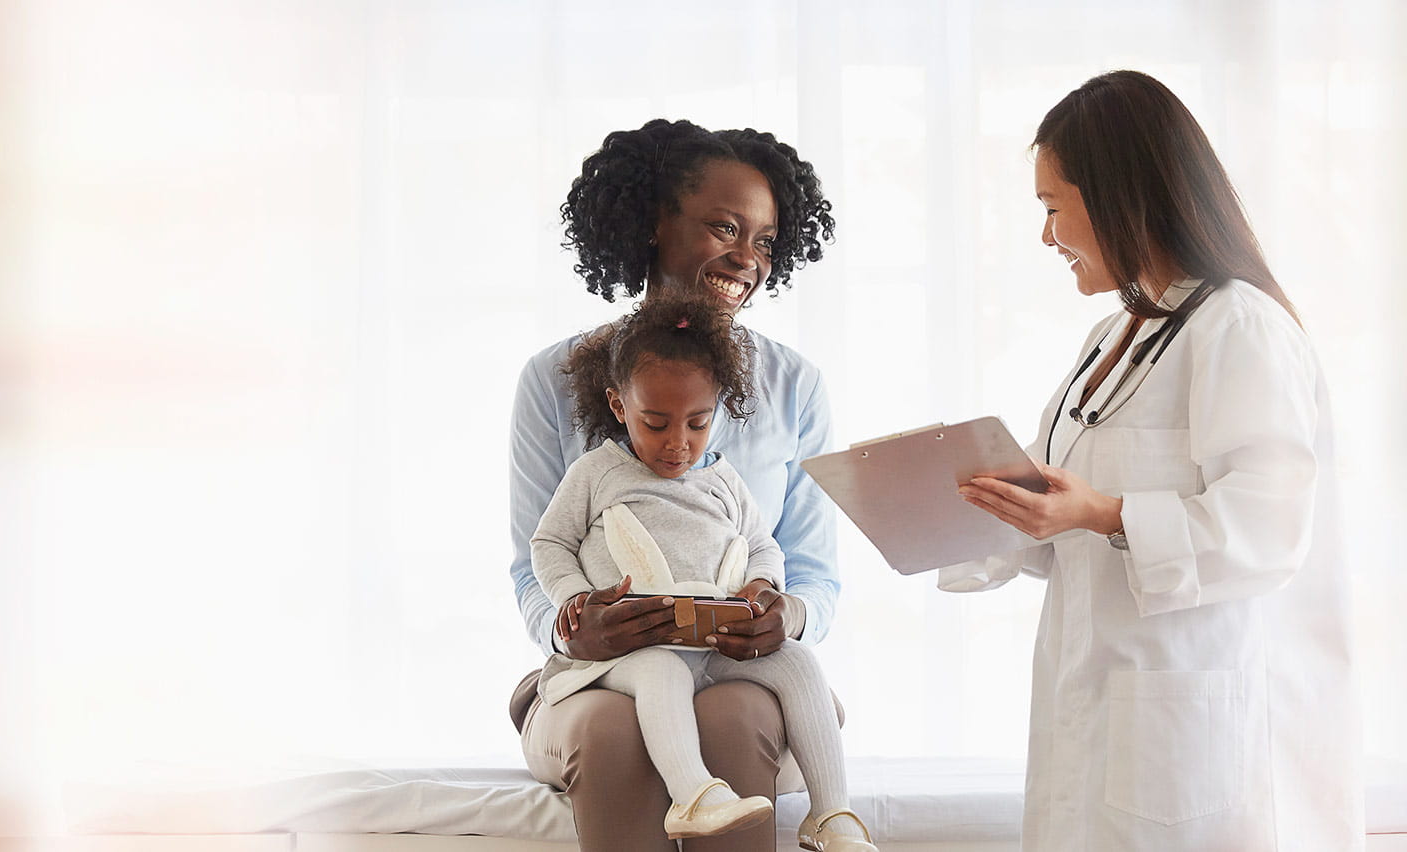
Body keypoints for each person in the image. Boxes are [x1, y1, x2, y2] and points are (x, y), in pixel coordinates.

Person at [943, 70, 1362, 850]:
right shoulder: (1111, 338)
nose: (1045, 238)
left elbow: (1269, 529)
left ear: (1119, 195)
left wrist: (1104, 514)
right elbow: (1058, 504)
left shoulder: (1239, 327)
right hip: (1096, 708)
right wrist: (976, 502)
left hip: (1191, 732)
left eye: (1052, 208)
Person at [507, 118, 840, 852]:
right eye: (725, 228)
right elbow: (533, 560)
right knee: (613, 728)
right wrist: (571, 624)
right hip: (599, 677)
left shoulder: (794, 386)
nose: (747, 259)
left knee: (734, 717)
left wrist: (785, 617)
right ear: (656, 222)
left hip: (742, 677)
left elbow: (814, 572)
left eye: (766, 241)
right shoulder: (553, 379)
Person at [532, 297, 872, 850]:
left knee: (800, 663)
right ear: (619, 406)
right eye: (655, 423)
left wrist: (763, 588)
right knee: (661, 671)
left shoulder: (724, 480)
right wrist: (574, 600)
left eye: (698, 423)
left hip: (713, 645)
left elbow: (762, 545)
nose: (678, 443)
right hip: (630, 651)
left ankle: (832, 813)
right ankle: (693, 795)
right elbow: (549, 544)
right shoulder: (596, 473)